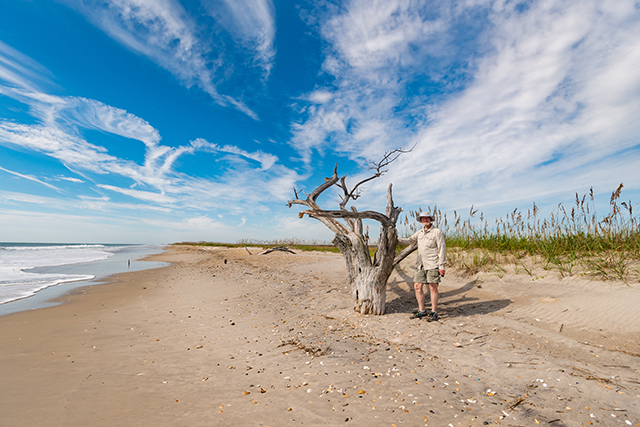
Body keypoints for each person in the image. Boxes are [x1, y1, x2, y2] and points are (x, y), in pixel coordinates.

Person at [405, 212, 446, 321]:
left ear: (430, 219)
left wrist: (441, 266)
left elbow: (442, 248)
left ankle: (434, 312)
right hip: (420, 265)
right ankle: (422, 310)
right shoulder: (419, 233)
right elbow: (408, 241)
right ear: (421, 220)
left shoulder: (437, 232)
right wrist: (393, 236)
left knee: (433, 287)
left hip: (433, 264)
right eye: (423, 218)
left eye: (427, 218)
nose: (425, 220)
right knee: (417, 286)